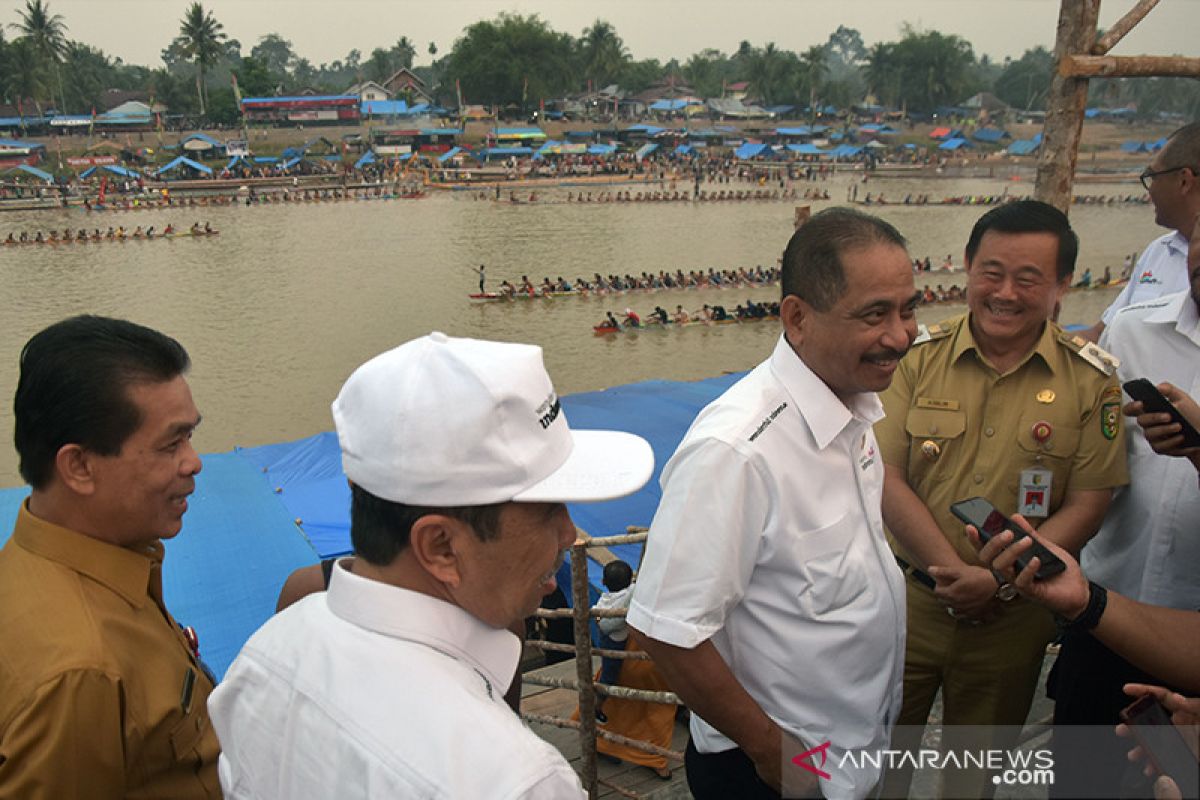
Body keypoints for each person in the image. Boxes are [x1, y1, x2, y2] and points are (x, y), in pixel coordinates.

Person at [209, 332, 655, 799]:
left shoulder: (263, 657)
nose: (569, 533)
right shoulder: (515, 780)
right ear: (441, 546)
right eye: (548, 510)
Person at [629, 208, 917, 799]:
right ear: (797, 317)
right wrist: (769, 752)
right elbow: (665, 628)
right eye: (874, 314)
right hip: (775, 771)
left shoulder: (854, 406)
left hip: (857, 748)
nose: (900, 335)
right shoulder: (737, 450)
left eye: (908, 308)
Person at [876, 200, 1128, 799]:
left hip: (1013, 618)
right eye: (991, 272)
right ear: (966, 266)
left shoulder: (1092, 382)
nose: (1005, 293)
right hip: (903, 604)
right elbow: (884, 476)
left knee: (972, 780)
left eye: (1028, 278)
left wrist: (1001, 582)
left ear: (1063, 284)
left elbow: (1090, 504)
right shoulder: (915, 359)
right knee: (873, 771)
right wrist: (957, 574)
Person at [0, 315, 219, 797]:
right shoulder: (79, 677)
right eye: (171, 444)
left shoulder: (69, 562)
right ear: (79, 466)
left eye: (190, 436)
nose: (194, 461)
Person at [1047, 212, 1200, 798]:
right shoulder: (1131, 334)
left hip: (1191, 634)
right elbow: (1087, 460)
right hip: (1104, 615)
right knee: (1081, 783)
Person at [1081, 122, 1200, 342]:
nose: (1150, 191)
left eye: (1152, 176)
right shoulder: (1159, 251)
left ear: (1184, 181)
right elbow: (1102, 334)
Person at [593, 559, 634, 724]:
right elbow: (606, 625)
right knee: (609, 677)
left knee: (608, 670)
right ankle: (595, 708)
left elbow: (598, 616)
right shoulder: (630, 594)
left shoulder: (605, 599)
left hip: (609, 638)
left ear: (603, 582)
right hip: (614, 642)